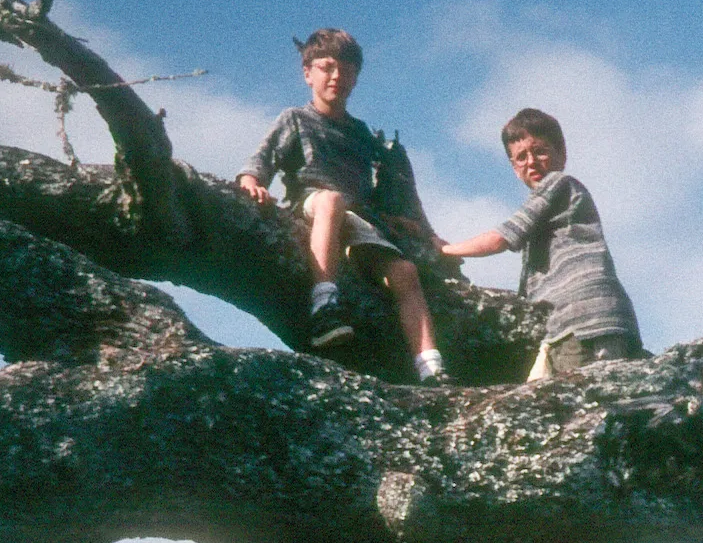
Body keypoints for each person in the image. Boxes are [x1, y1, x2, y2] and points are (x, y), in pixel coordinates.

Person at [237, 28, 447, 384]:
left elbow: (374, 191)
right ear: (308, 73)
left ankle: (430, 366)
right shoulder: (295, 119)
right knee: (331, 200)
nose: (337, 77)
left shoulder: (362, 133)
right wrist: (250, 183)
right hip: (313, 206)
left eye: (347, 70)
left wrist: (397, 220)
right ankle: (324, 304)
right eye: (327, 67)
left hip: (357, 219)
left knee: (405, 272)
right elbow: (260, 161)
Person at [437, 108, 644, 378]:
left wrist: (443, 250)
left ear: (561, 154)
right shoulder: (554, 200)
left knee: (583, 407)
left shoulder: (558, 183)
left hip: (586, 322)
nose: (531, 162)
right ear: (514, 168)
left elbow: (502, 238)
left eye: (540, 151)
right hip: (576, 324)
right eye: (521, 157)